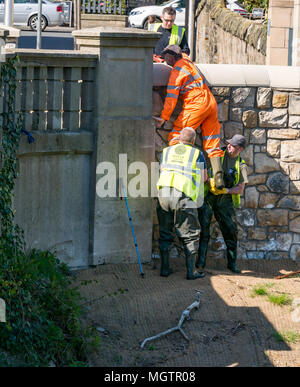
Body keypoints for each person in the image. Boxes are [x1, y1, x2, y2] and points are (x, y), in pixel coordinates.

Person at [153, 44, 225, 189]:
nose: (166, 61)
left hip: (196, 104)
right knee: (212, 142)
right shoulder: (187, 61)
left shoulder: (177, 71)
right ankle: (218, 179)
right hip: (210, 103)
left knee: (177, 134)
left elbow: (171, 98)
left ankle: (176, 171)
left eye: (167, 58)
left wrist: (164, 118)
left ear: (172, 57)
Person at [156, 127, 207, 280]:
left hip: (163, 194)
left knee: (165, 232)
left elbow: (161, 169)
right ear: (193, 141)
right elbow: (203, 178)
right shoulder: (197, 153)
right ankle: (191, 272)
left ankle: (164, 269)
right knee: (190, 234)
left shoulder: (167, 151)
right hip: (183, 196)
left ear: (179, 139)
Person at [197, 134, 248, 274]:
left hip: (225, 200)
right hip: (208, 196)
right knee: (204, 229)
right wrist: (209, 181)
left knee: (231, 231)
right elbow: (203, 171)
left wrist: (226, 190)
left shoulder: (241, 165)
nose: (229, 146)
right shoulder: (217, 153)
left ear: (240, 149)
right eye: (229, 143)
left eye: (233, 145)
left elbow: (240, 188)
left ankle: (232, 264)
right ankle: (200, 264)